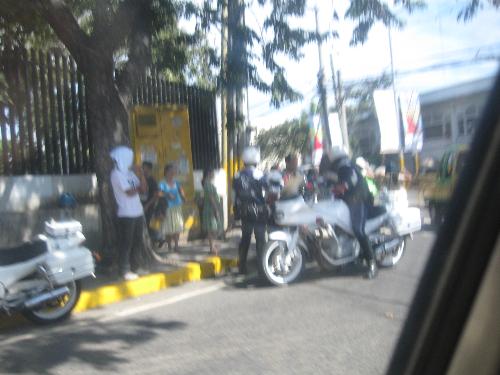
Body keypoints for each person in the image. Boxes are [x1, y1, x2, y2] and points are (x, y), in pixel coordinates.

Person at [320, 146, 378, 279]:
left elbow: (347, 182)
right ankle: (346, 258)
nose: (328, 162)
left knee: (357, 230)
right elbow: (330, 181)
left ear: (334, 158)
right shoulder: (340, 168)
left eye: (329, 159)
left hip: (358, 201)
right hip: (346, 202)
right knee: (339, 227)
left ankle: (372, 263)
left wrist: (340, 188)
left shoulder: (346, 167)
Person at [110, 146, 147, 281]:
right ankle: (124, 270)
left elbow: (143, 188)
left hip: (137, 212)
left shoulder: (130, 173)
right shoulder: (116, 174)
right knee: (126, 243)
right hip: (126, 214)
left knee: (137, 242)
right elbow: (129, 192)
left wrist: (141, 174)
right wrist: (138, 187)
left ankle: (135, 267)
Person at [233, 146, 268, 275]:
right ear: (256, 160)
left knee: (245, 238)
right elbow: (265, 194)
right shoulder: (260, 175)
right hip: (259, 212)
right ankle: (262, 267)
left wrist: (235, 210)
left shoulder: (237, 175)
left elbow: (234, 196)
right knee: (260, 239)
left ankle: (242, 266)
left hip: (244, 212)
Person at [158, 163, 186, 252]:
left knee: (177, 227)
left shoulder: (176, 182)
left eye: (174, 170)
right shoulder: (162, 183)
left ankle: (176, 246)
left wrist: (183, 197)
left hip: (177, 207)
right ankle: (169, 245)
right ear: (166, 172)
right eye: (171, 170)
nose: (173, 172)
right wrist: (167, 194)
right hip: (167, 207)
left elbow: (181, 191)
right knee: (168, 228)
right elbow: (159, 193)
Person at [201, 169, 222, 255]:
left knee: (214, 228)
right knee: (211, 229)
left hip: (211, 208)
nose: (214, 174)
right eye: (213, 173)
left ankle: (213, 246)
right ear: (209, 173)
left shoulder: (208, 183)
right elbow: (211, 198)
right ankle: (212, 248)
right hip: (210, 209)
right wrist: (215, 209)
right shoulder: (207, 184)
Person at [140, 161, 158, 225]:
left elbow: (156, 196)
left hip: (149, 208)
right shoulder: (139, 179)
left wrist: (147, 206)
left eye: (144, 168)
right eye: (142, 168)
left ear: (149, 169)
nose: (143, 169)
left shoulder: (153, 181)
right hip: (139, 207)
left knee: (148, 225)